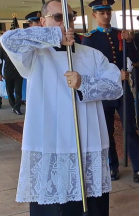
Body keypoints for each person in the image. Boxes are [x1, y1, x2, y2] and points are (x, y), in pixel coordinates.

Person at [0, 0, 124, 215]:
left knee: (90, 203)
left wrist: (84, 83)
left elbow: (115, 88)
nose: (65, 23)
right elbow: (8, 39)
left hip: (85, 139)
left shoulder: (91, 55)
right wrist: (55, 36)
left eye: (70, 17)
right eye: (58, 18)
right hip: (49, 139)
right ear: (43, 21)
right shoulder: (33, 56)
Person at [82, 0, 139, 182]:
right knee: (107, 131)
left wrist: (130, 42)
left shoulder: (120, 34)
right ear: (94, 15)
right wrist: (114, 76)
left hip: (122, 90)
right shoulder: (89, 39)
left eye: (108, 12)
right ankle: (112, 167)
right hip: (103, 92)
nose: (106, 16)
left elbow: (136, 59)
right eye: (102, 13)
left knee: (130, 129)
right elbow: (89, 70)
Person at [0, 42, 23, 115]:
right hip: (8, 72)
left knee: (18, 91)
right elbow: (0, 61)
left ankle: (17, 108)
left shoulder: (19, 47)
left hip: (18, 72)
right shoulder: (3, 48)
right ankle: (13, 105)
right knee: (10, 91)